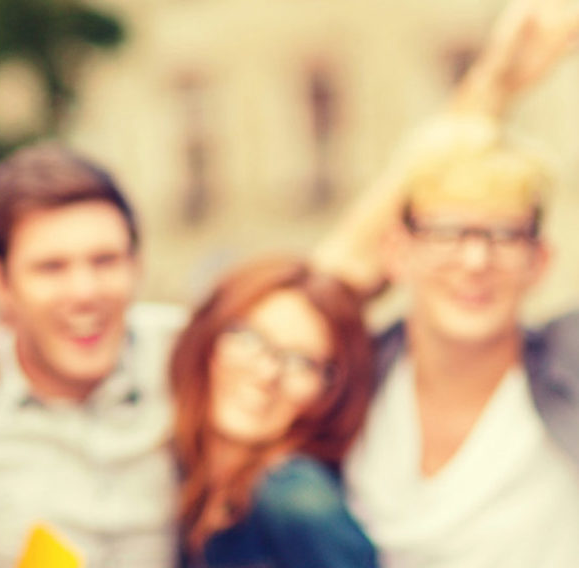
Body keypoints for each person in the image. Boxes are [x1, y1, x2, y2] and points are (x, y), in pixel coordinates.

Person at [312, 0, 579, 564]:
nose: (475, 261)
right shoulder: (351, 383)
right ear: (396, 251)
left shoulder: (568, 363)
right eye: (447, 234)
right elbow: (316, 291)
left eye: (504, 236)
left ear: (540, 260)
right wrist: (492, 86)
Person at [0, 144, 186, 568]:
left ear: (136, 264)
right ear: (0, 281)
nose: (85, 292)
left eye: (105, 260)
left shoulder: (189, 357)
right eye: (51, 267)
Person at [169, 256, 376, 567]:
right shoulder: (174, 470)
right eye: (248, 337)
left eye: (301, 361)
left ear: (333, 391)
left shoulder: (297, 499)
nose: (266, 373)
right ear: (209, 333)